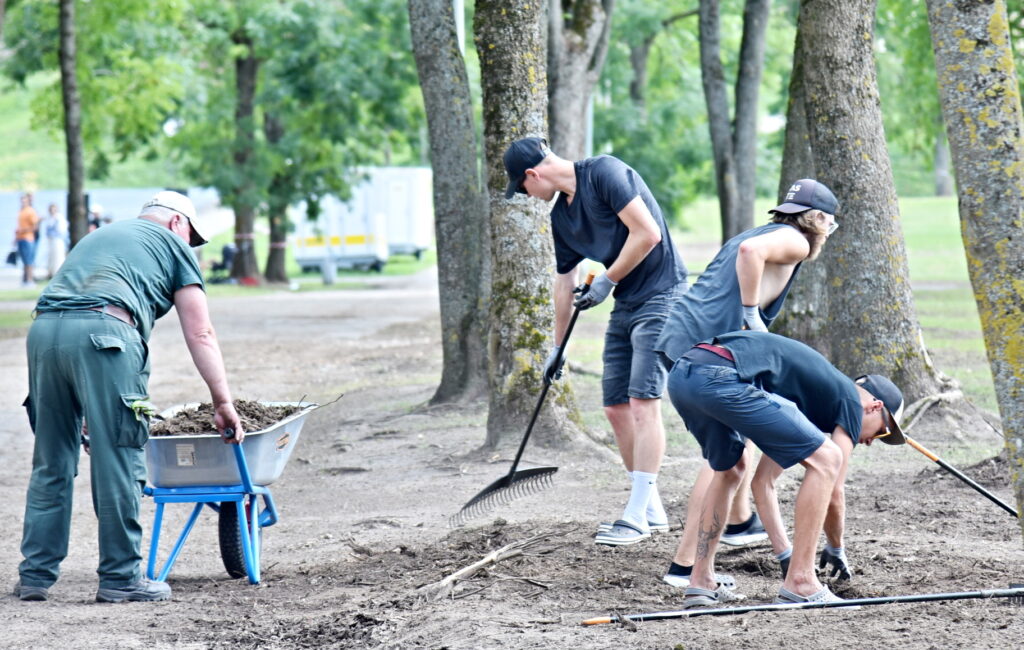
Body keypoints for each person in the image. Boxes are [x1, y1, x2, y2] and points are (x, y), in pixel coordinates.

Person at [15, 190, 244, 604]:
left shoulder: (101, 235)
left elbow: (74, 303)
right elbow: (201, 332)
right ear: (178, 223)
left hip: (44, 334)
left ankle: (35, 575)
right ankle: (121, 577)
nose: (189, 246)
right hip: (106, 337)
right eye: (191, 236)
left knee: (52, 459)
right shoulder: (174, 244)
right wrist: (222, 402)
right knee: (118, 456)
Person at [502, 136, 688, 546]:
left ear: (533, 174)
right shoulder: (561, 220)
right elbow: (564, 282)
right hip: (626, 302)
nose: (527, 196)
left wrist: (606, 280)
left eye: (523, 187)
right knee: (616, 408)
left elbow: (648, 233)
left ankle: (636, 516)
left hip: (662, 294)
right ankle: (651, 511)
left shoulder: (604, 172)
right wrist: (558, 347)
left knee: (642, 402)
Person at [656, 179, 841, 588]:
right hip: (707, 351)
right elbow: (749, 254)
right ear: (820, 220)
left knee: (730, 460)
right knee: (724, 463)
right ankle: (687, 563)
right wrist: (751, 315)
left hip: (685, 342)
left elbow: (746, 251)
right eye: (831, 223)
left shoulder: (766, 231)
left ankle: (705, 552)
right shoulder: (796, 241)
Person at [667, 330, 905, 607]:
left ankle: (701, 582)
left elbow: (763, 482)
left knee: (732, 470)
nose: (871, 443)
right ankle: (802, 582)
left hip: (685, 374)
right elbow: (834, 491)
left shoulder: (811, 402)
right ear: (875, 407)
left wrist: (785, 554)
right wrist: (836, 547)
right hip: (720, 375)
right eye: (883, 433)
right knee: (828, 458)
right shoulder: (852, 402)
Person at [16, 193, 40, 288]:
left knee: (29, 260)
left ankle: (30, 280)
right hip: (20, 238)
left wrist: (24, 230)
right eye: (21, 200)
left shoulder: (30, 211)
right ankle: (26, 280)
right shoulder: (20, 211)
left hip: (28, 238)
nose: (23, 202)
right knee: (25, 260)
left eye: (24, 200)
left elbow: (35, 226)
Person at [44, 203, 69, 279]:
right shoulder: (50, 218)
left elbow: (61, 230)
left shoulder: (59, 218)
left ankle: (57, 273)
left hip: (58, 240)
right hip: (51, 240)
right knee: (51, 257)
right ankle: (51, 273)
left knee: (58, 256)